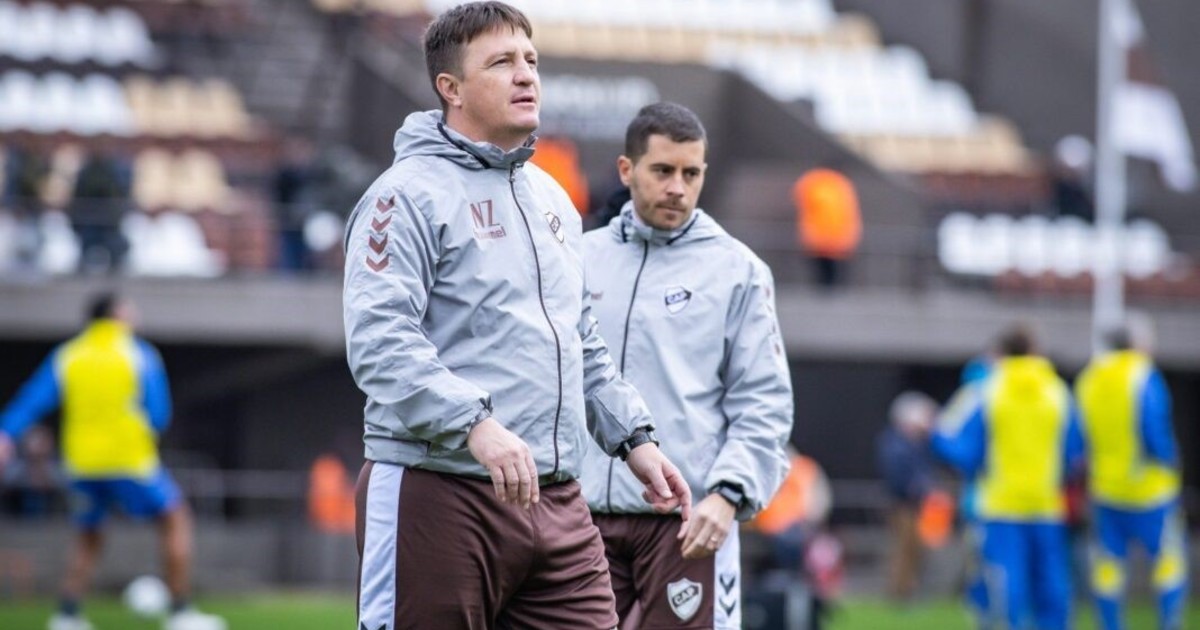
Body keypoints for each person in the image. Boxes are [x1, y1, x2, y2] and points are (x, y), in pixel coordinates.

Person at [341, 4, 691, 629]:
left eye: (530, 60)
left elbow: (581, 342)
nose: (526, 74)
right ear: (450, 88)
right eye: (501, 62)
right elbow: (380, 342)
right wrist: (474, 423)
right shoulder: (405, 194)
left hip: (556, 500)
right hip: (438, 491)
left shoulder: (552, 197)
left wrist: (633, 439)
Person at [578, 101, 793, 629]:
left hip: (686, 523)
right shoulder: (575, 258)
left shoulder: (739, 271)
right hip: (578, 518)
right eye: (663, 170)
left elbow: (763, 401)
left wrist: (728, 495)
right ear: (626, 170)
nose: (677, 187)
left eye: (691, 173)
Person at [0, 293, 225, 630]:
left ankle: (67, 616)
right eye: (130, 309)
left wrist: (5, 432)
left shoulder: (69, 355)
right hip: (129, 461)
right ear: (117, 314)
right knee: (176, 518)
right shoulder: (138, 353)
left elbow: (33, 398)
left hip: (82, 464)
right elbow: (158, 414)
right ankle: (180, 612)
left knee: (88, 536)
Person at [931, 324, 1084, 630]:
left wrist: (975, 465)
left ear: (1001, 353)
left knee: (1004, 581)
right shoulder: (1056, 391)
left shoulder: (986, 390)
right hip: (1045, 503)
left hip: (1000, 505)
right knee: (1051, 584)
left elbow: (948, 437)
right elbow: (1075, 449)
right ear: (1035, 351)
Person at [1075, 317, 1187, 630]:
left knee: (1108, 565)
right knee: (1167, 561)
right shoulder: (1142, 374)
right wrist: (1169, 458)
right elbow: (1153, 427)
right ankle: (1169, 622)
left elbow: (1078, 435)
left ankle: (1111, 624)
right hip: (1150, 489)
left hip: (1106, 489)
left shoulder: (1090, 377)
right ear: (1136, 342)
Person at [876, 390, 938, 603]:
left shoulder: (912, 444)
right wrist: (918, 488)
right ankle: (898, 592)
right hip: (903, 504)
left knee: (914, 548)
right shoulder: (897, 444)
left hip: (914, 504)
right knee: (903, 548)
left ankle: (907, 589)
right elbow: (900, 476)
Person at [791, 164, 861, 289]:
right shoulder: (839, 184)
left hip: (820, 238)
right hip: (835, 239)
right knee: (831, 275)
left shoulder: (814, 181)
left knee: (824, 275)